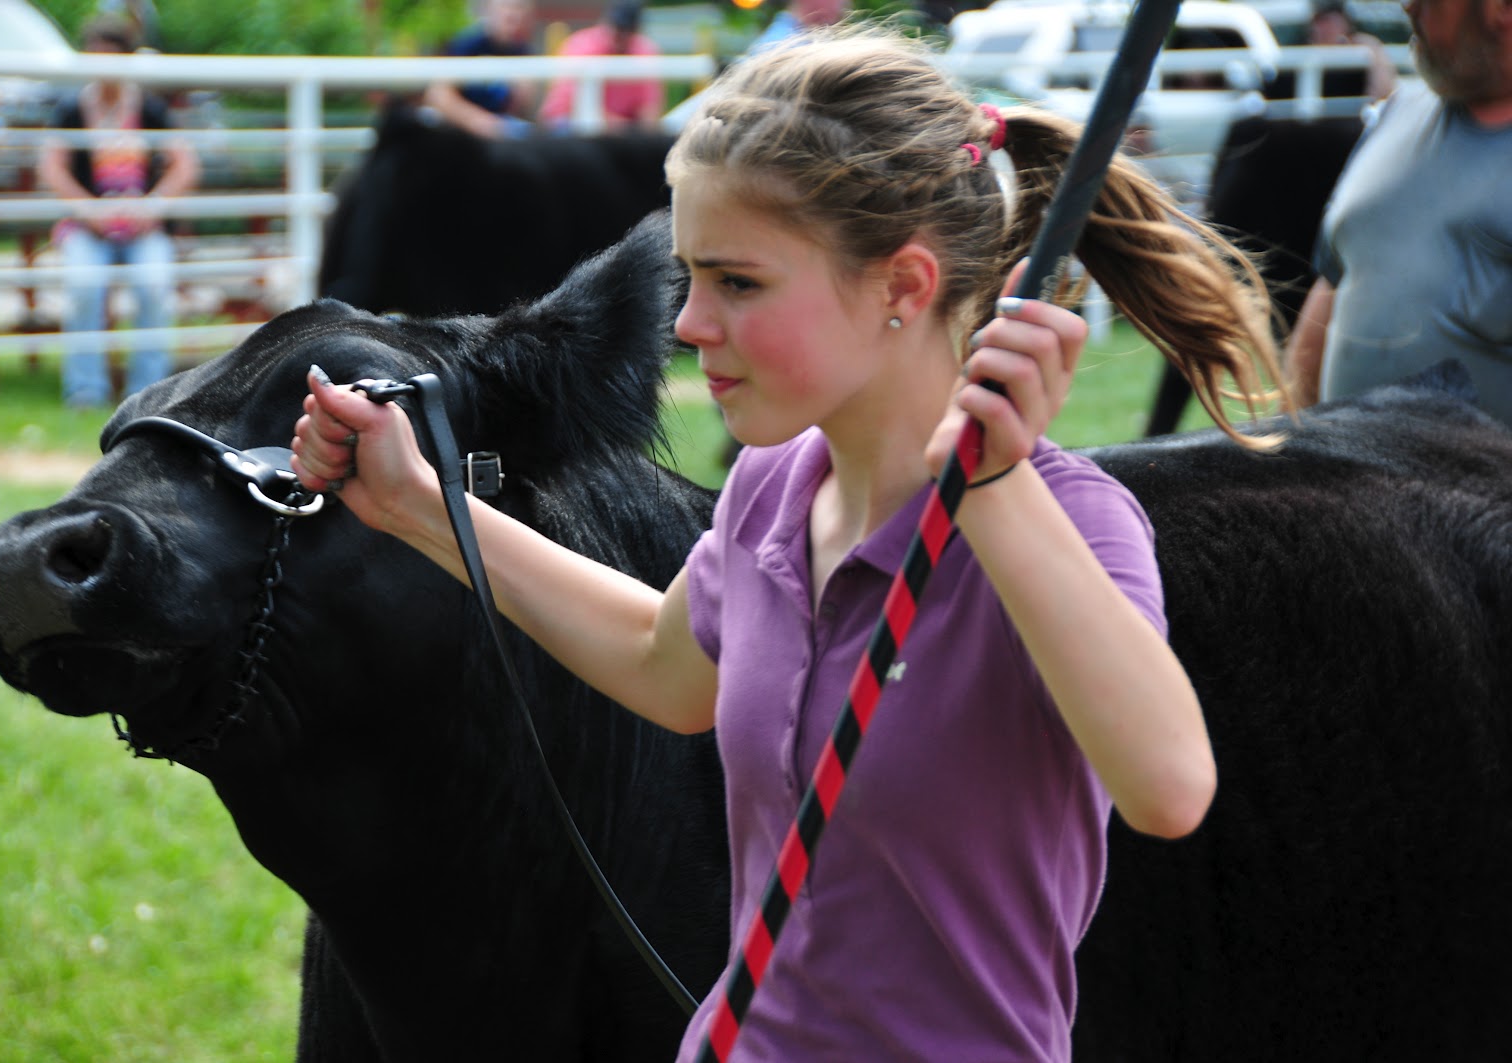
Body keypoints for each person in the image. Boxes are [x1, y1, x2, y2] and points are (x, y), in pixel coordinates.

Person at [292, 28, 1283, 1059]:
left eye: (739, 282)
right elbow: (664, 666)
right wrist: (419, 504)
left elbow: (1168, 787)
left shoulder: (1068, 524)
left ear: (901, 286)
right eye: (690, 275)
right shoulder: (774, 483)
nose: (688, 323)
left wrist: (990, 489)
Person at [1285, 0, 1512, 423]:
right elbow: (1334, 286)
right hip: (1340, 485)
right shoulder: (1396, 114)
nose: (1408, 6)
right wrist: (1283, 449)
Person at [38, 12, 197, 408]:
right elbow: (51, 166)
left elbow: (185, 163)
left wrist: (154, 206)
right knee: (83, 286)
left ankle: (150, 392)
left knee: (153, 284)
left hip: (143, 228)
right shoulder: (72, 107)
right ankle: (85, 391)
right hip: (88, 228)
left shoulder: (149, 108)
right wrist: (86, 208)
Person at [539, 0, 664, 133]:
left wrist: (641, 133)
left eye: (625, 30)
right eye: (616, 27)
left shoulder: (644, 50)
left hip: (622, 131)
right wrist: (619, 126)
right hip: (567, 123)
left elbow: (649, 111)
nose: (618, 35)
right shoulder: (582, 45)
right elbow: (573, 104)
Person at [422, 0, 538, 139]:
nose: (514, 14)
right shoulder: (465, 45)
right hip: (459, 129)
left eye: (519, 8)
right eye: (507, 7)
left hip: (500, 130)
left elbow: (520, 105)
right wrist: (479, 121)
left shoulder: (522, 51)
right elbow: (438, 96)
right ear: (488, 9)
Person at [1309, 0, 1397, 100]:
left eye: (1328, 21)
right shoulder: (1303, 54)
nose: (1323, 28)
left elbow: (1383, 90)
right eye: (1319, 21)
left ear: (1345, 22)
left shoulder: (1365, 46)